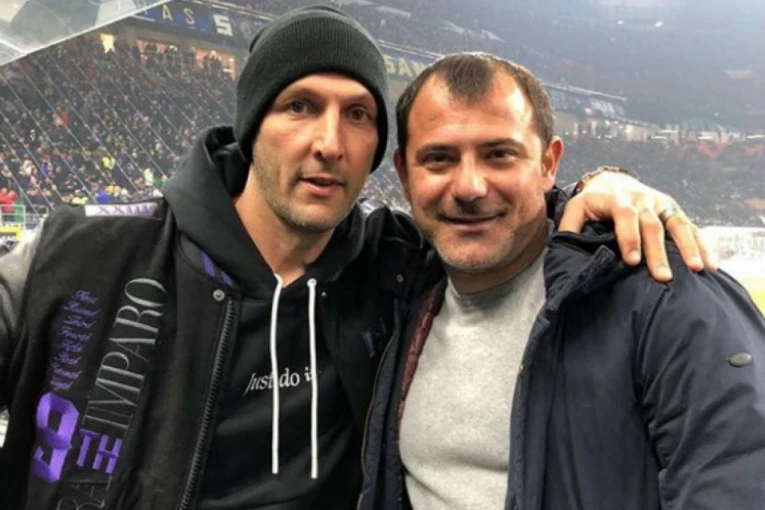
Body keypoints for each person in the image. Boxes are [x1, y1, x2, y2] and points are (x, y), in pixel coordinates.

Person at [0, 7, 711, 510]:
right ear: (252, 126)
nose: (329, 143)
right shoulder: (87, 253)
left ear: (379, 153)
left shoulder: (393, 265)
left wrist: (598, 186)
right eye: (299, 106)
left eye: (359, 115)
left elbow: (494, 209)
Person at [359, 52, 765, 510]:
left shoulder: (663, 292)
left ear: (549, 164)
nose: (469, 186)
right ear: (404, 175)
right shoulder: (399, 288)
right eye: (438, 159)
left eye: (499, 155)